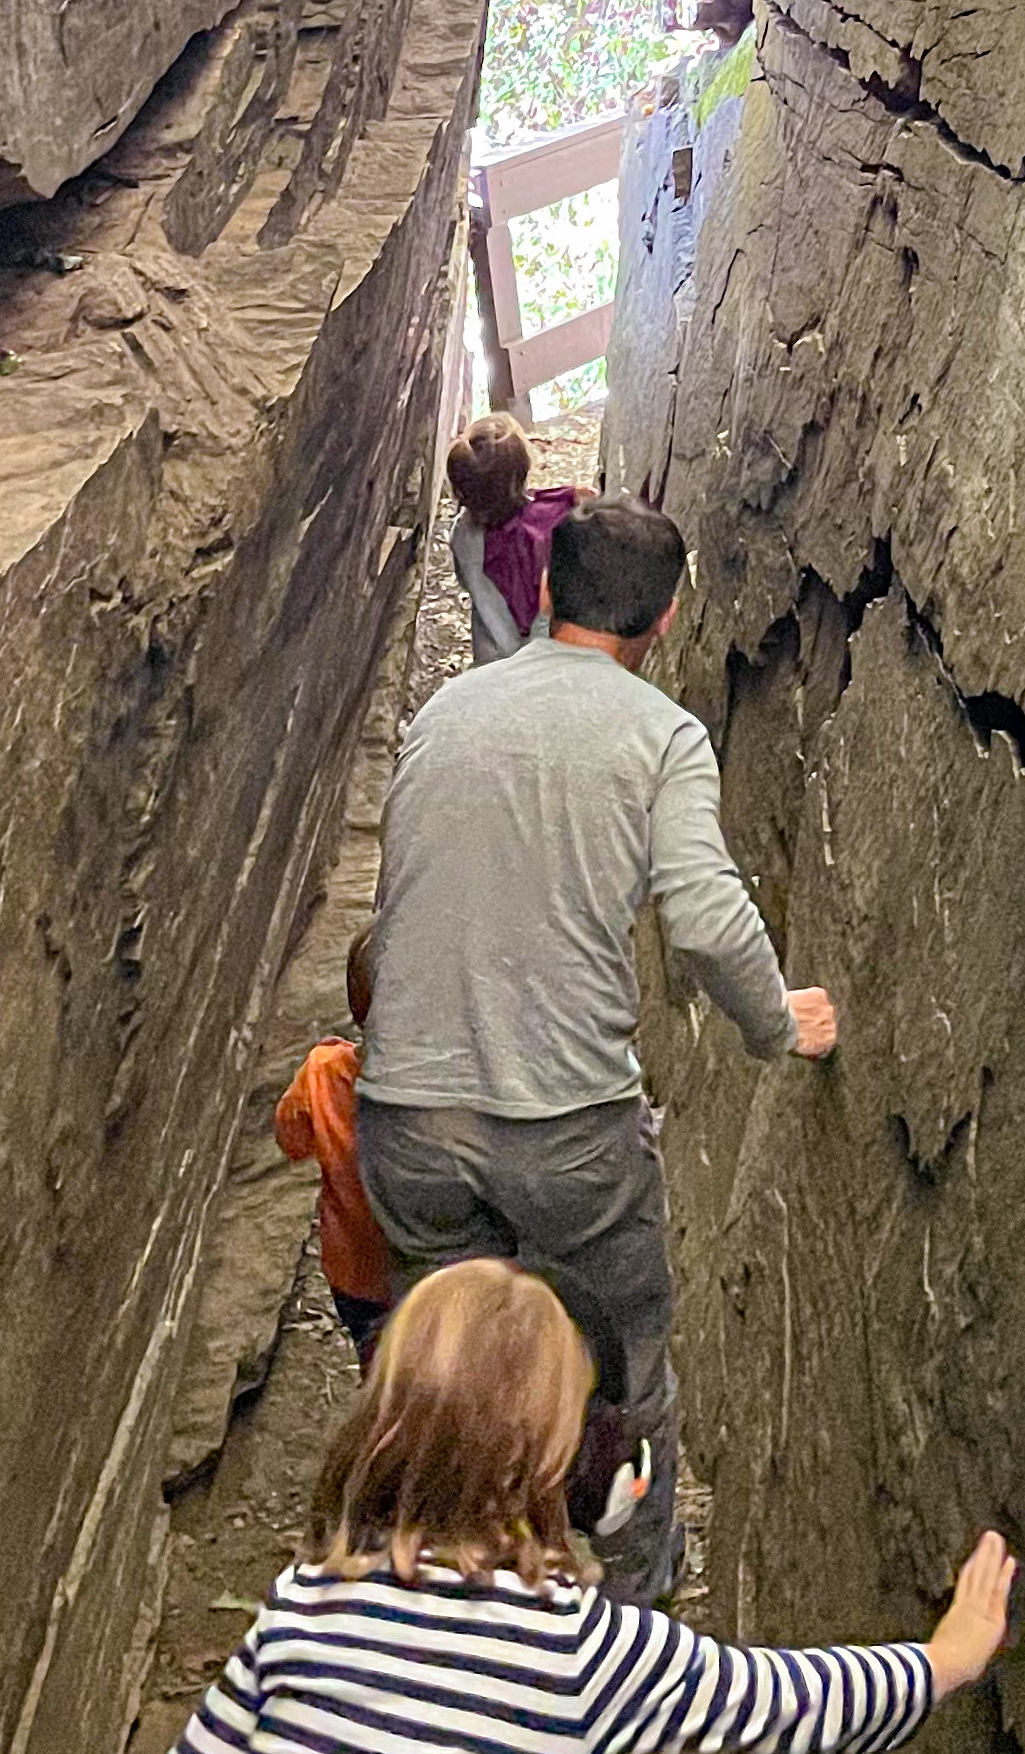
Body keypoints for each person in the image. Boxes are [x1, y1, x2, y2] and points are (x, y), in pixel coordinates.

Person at [92, 1263, 1013, 1754]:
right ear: (571, 1463)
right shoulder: (583, 1649)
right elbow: (782, 1699)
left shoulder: (311, 1594)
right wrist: (941, 1662)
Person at [354, 494, 835, 1604]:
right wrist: (777, 1025)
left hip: (407, 1118)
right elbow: (709, 920)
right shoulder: (660, 737)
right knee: (625, 1367)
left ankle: (450, 1589)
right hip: (567, 1125)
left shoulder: (448, 711)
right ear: (665, 621)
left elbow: (396, 910)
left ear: (545, 594)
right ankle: (631, 1600)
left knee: (445, 1369)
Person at [275, 932, 396, 1369]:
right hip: (424, 1268)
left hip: (353, 1275)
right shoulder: (446, 1080)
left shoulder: (322, 1073)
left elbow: (292, 1140)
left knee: (376, 1368)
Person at [442, 416, 580, 660]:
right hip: (538, 656)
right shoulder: (544, 533)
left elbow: (465, 581)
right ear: (522, 476)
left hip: (490, 654)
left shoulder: (462, 535)